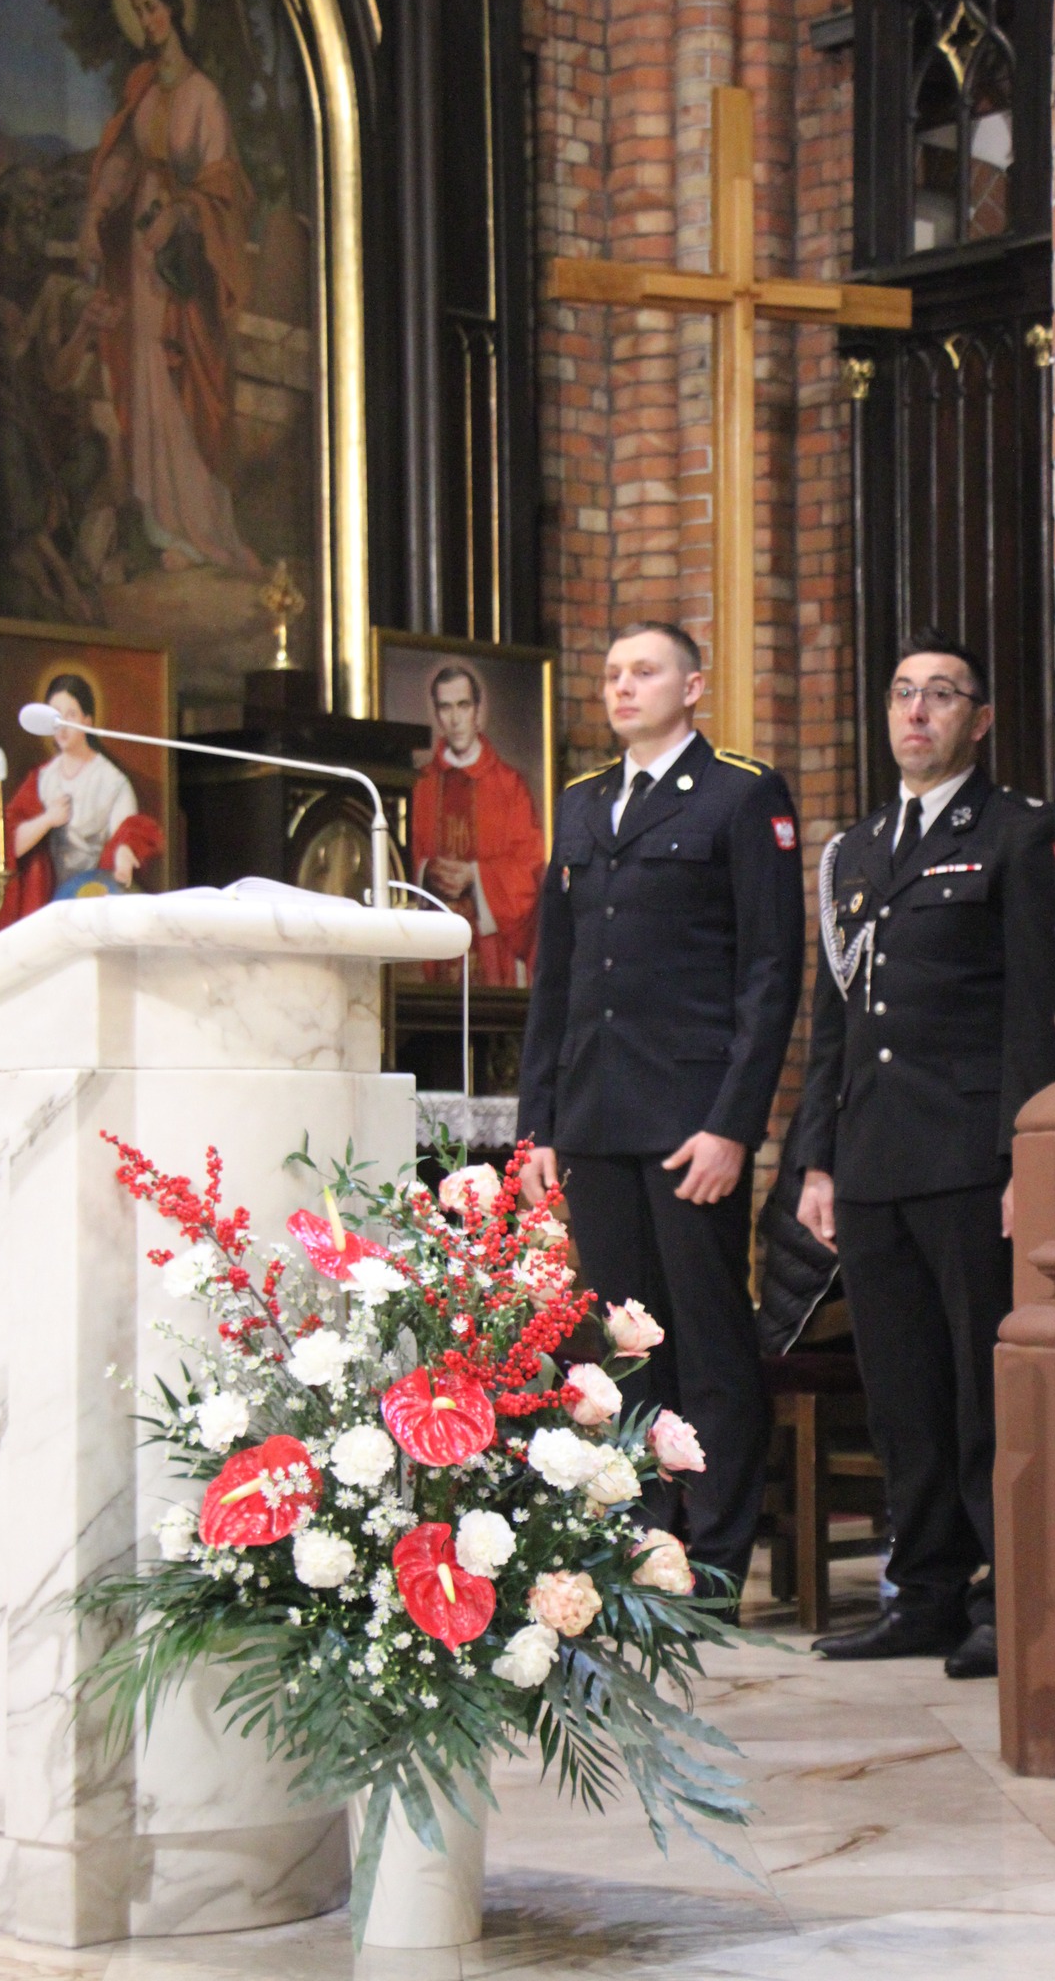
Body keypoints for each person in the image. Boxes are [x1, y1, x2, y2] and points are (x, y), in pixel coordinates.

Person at [517, 621, 805, 1595]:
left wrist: (734, 1125)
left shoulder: (739, 792)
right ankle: (640, 1541)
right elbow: (556, 978)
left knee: (708, 1339)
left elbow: (768, 973)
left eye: (644, 671)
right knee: (623, 1346)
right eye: (612, 673)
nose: (622, 686)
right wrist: (539, 1124)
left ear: (693, 685)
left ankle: (714, 1561)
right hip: (595, 1116)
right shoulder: (582, 801)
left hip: (690, 1123)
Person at [794, 628, 1055, 1678]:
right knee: (902, 1393)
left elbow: (1031, 1014)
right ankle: (926, 1593)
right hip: (871, 1159)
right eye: (903, 692)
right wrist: (816, 1161)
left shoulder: (1015, 834)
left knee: (979, 1388)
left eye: (941, 694)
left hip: (966, 1157)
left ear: (979, 720)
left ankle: (1003, 1594)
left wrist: (1024, 1158)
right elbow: (833, 1021)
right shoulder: (855, 852)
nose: (916, 711)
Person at [77, 0, 259, 577]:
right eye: (137, 10)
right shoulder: (145, 88)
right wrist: (93, 215)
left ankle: (202, 527)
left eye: (151, 7)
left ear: (174, 8)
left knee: (189, 385)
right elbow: (122, 162)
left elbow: (223, 187)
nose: (146, 21)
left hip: (185, 262)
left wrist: (180, 213)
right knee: (148, 377)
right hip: (140, 255)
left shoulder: (205, 96)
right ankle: (163, 524)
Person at [412, 663, 547, 986]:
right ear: (436, 714)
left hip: (492, 951)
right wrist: (426, 872)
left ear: (478, 711)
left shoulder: (509, 786)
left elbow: (530, 867)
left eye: (463, 705)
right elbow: (399, 859)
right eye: (446, 707)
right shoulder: (420, 785)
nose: (455, 719)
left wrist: (475, 875)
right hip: (433, 946)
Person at [0, 674, 164, 923]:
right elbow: (11, 845)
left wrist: (124, 853)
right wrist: (47, 819)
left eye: (71, 715)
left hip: (96, 899)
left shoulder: (112, 782)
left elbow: (127, 834)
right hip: (48, 903)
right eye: (55, 717)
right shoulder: (42, 779)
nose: (62, 726)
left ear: (88, 721)